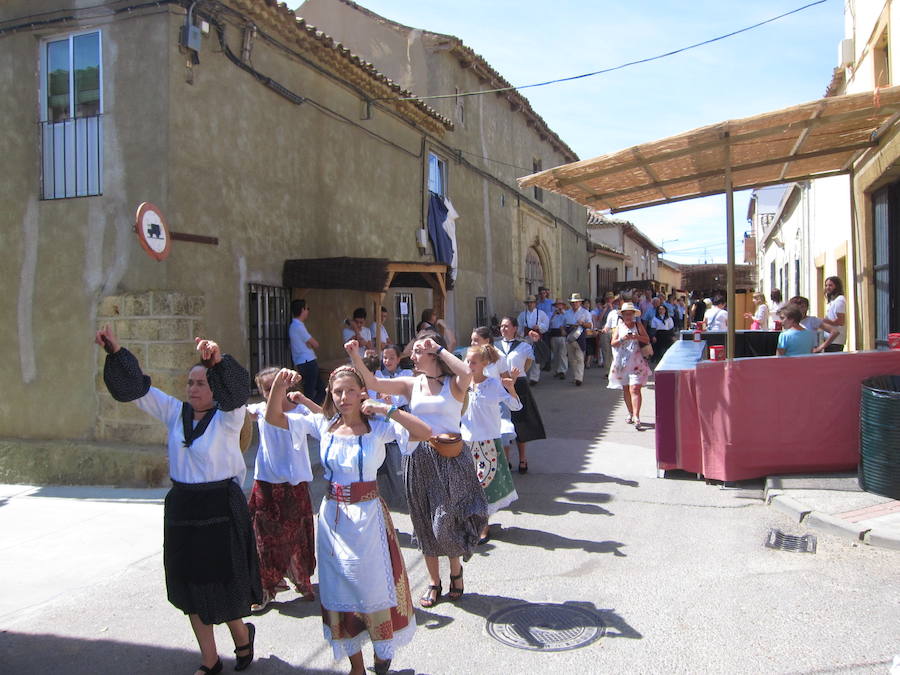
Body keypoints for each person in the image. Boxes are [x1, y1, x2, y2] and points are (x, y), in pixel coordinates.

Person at [95, 327, 260, 675]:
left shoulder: (229, 419)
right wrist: (116, 351)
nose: (193, 388)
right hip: (184, 508)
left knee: (222, 585)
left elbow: (236, 394)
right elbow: (138, 390)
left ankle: (242, 635)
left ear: (214, 387)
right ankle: (210, 660)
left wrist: (216, 360)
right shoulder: (174, 413)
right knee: (190, 588)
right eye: (190, 383)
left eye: (201, 382)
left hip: (221, 508)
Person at [265, 366, 431, 675]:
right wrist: (277, 385)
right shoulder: (323, 424)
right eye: (337, 392)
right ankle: (356, 666)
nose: (343, 398)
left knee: (370, 588)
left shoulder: (378, 427)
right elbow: (274, 418)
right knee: (339, 589)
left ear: (361, 393)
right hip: (333, 520)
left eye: (350, 391)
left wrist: (387, 408)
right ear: (330, 394)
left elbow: (424, 432)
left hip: (368, 520)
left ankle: (382, 652)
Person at [345, 334, 487, 609]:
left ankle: (455, 569)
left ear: (433, 355)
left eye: (419, 351)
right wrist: (355, 357)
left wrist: (439, 348)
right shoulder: (412, 384)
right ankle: (435, 582)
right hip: (417, 457)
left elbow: (467, 371)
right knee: (423, 522)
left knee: (445, 519)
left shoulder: (453, 385)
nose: (413, 356)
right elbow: (372, 383)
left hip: (449, 459)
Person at [246, 367, 320, 612]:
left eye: (275, 386)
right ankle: (267, 586)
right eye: (266, 389)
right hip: (266, 483)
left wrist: (305, 399)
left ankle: (300, 579)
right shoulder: (260, 409)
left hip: (294, 484)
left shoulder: (301, 413)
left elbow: (327, 422)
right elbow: (240, 415)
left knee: (297, 536)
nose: (271, 393)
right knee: (263, 539)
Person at [461, 345, 521, 543]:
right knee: (468, 485)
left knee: (483, 485)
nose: (469, 365)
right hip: (466, 442)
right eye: (467, 361)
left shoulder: (493, 384)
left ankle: (483, 526)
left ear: (484, 364)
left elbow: (516, 406)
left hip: (487, 441)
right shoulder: (462, 384)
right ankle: (472, 523)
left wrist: (511, 388)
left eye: (473, 362)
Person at [496, 316, 547, 473]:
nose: (503, 329)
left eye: (507, 326)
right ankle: (506, 460)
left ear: (514, 328)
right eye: (502, 326)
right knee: (504, 423)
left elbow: (542, 358)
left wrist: (538, 341)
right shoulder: (494, 346)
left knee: (520, 423)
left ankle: (523, 459)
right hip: (500, 386)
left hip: (519, 385)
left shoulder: (523, 346)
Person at [371, 344, 414, 509]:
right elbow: (374, 397)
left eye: (391, 358)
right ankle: (387, 494)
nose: (387, 361)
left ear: (398, 359)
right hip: (382, 421)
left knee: (399, 456)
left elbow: (404, 398)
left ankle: (403, 492)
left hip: (400, 418)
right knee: (383, 459)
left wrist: (391, 400)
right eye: (384, 358)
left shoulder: (406, 375)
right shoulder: (377, 376)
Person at [608, 303, 652, 430]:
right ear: (622, 315)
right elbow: (613, 343)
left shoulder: (638, 325)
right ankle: (630, 413)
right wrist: (622, 339)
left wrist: (636, 336)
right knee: (626, 389)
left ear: (633, 315)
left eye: (630, 314)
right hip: (622, 363)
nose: (628, 316)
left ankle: (637, 416)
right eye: (626, 314)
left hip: (637, 363)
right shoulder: (618, 327)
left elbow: (646, 339)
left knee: (635, 389)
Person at [290, 299, 324, 404]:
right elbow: (315, 344)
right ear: (302, 309)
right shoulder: (298, 326)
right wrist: (310, 344)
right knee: (312, 392)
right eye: (307, 309)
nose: (308, 311)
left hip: (303, 362)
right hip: (307, 361)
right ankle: (310, 411)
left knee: (319, 390)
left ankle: (312, 410)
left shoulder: (294, 326)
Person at [517, 294, 549, 385]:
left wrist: (539, 326)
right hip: (526, 337)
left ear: (535, 303)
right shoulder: (522, 314)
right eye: (528, 303)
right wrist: (520, 333)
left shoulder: (541, 313)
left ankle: (534, 378)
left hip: (536, 337)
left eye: (532, 302)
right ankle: (523, 375)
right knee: (525, 357)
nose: (530, 304)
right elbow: (519, 326)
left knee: (536, 356)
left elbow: (546, 325)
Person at [563, 292, 593, 386]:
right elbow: (563, 325)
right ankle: (576, 376)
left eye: (576, 302)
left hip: (580, 337)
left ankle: (579, 378)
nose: (574, 304)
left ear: (580, 302)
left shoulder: (585, 313)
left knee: (580, 358)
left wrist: (583, 323)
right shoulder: (567, 313)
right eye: (573, 302)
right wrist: (562, 330)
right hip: (569, 336)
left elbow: (590, 325)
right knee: (572, 359)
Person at [814, 276, 847, 353]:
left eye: (830, 285)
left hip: (836, 340)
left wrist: (823, 321)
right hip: (829, 339)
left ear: (836, 286)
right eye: (826, 285)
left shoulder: (840, 300)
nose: (827, 288)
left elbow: (840, 321)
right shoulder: (832, 301)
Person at [548, 299, 568, 378]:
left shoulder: (566, 314)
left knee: (562, 353)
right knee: (555, 354)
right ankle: (556, 370)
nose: (558, 306)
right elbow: (548, 324)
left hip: (562, 334)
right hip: (553, 334)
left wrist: (563, 314)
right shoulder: (551, 314)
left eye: (560, 305)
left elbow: (568, 322)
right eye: (557, 305)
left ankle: (562, 371)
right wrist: (553, 315)